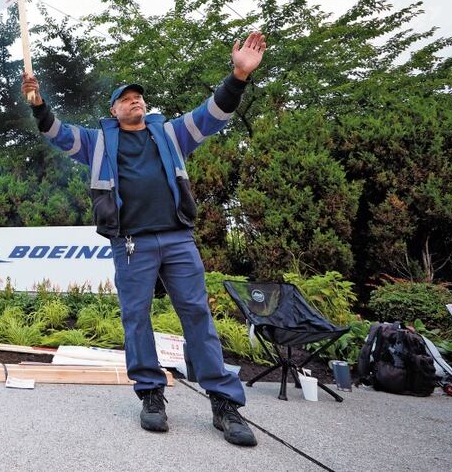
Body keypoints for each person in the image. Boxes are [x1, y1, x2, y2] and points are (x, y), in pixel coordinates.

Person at [20, 31, 267, 447]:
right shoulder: (98, 142)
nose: (136, 101)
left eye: (140, 97)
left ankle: (224, 404)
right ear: (114, 110)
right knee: (136, 319)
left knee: (197, 317)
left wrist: (239, 75)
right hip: (130, 242)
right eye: (127, 98)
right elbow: (59, 134)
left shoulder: (171, 134)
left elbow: (212, 114)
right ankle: (151, 395)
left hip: (177, 239)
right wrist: (39, 105)